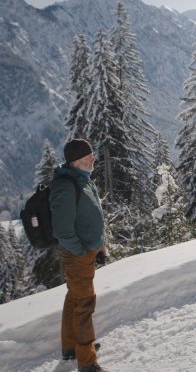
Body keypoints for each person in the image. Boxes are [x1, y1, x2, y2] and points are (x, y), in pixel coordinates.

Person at [49, 139, 108, 372]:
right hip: (77, 255)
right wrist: (81, 250)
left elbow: (93, 216)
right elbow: (62, 231)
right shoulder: (66, 185)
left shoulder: (83, 179)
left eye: (92, 155)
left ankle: (71, 347)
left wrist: (100, 246)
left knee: (75, 296)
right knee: (85, 303)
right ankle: (87, 361)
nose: (93, 160)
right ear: (75, 161)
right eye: (88, 157)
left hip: (86, 250)